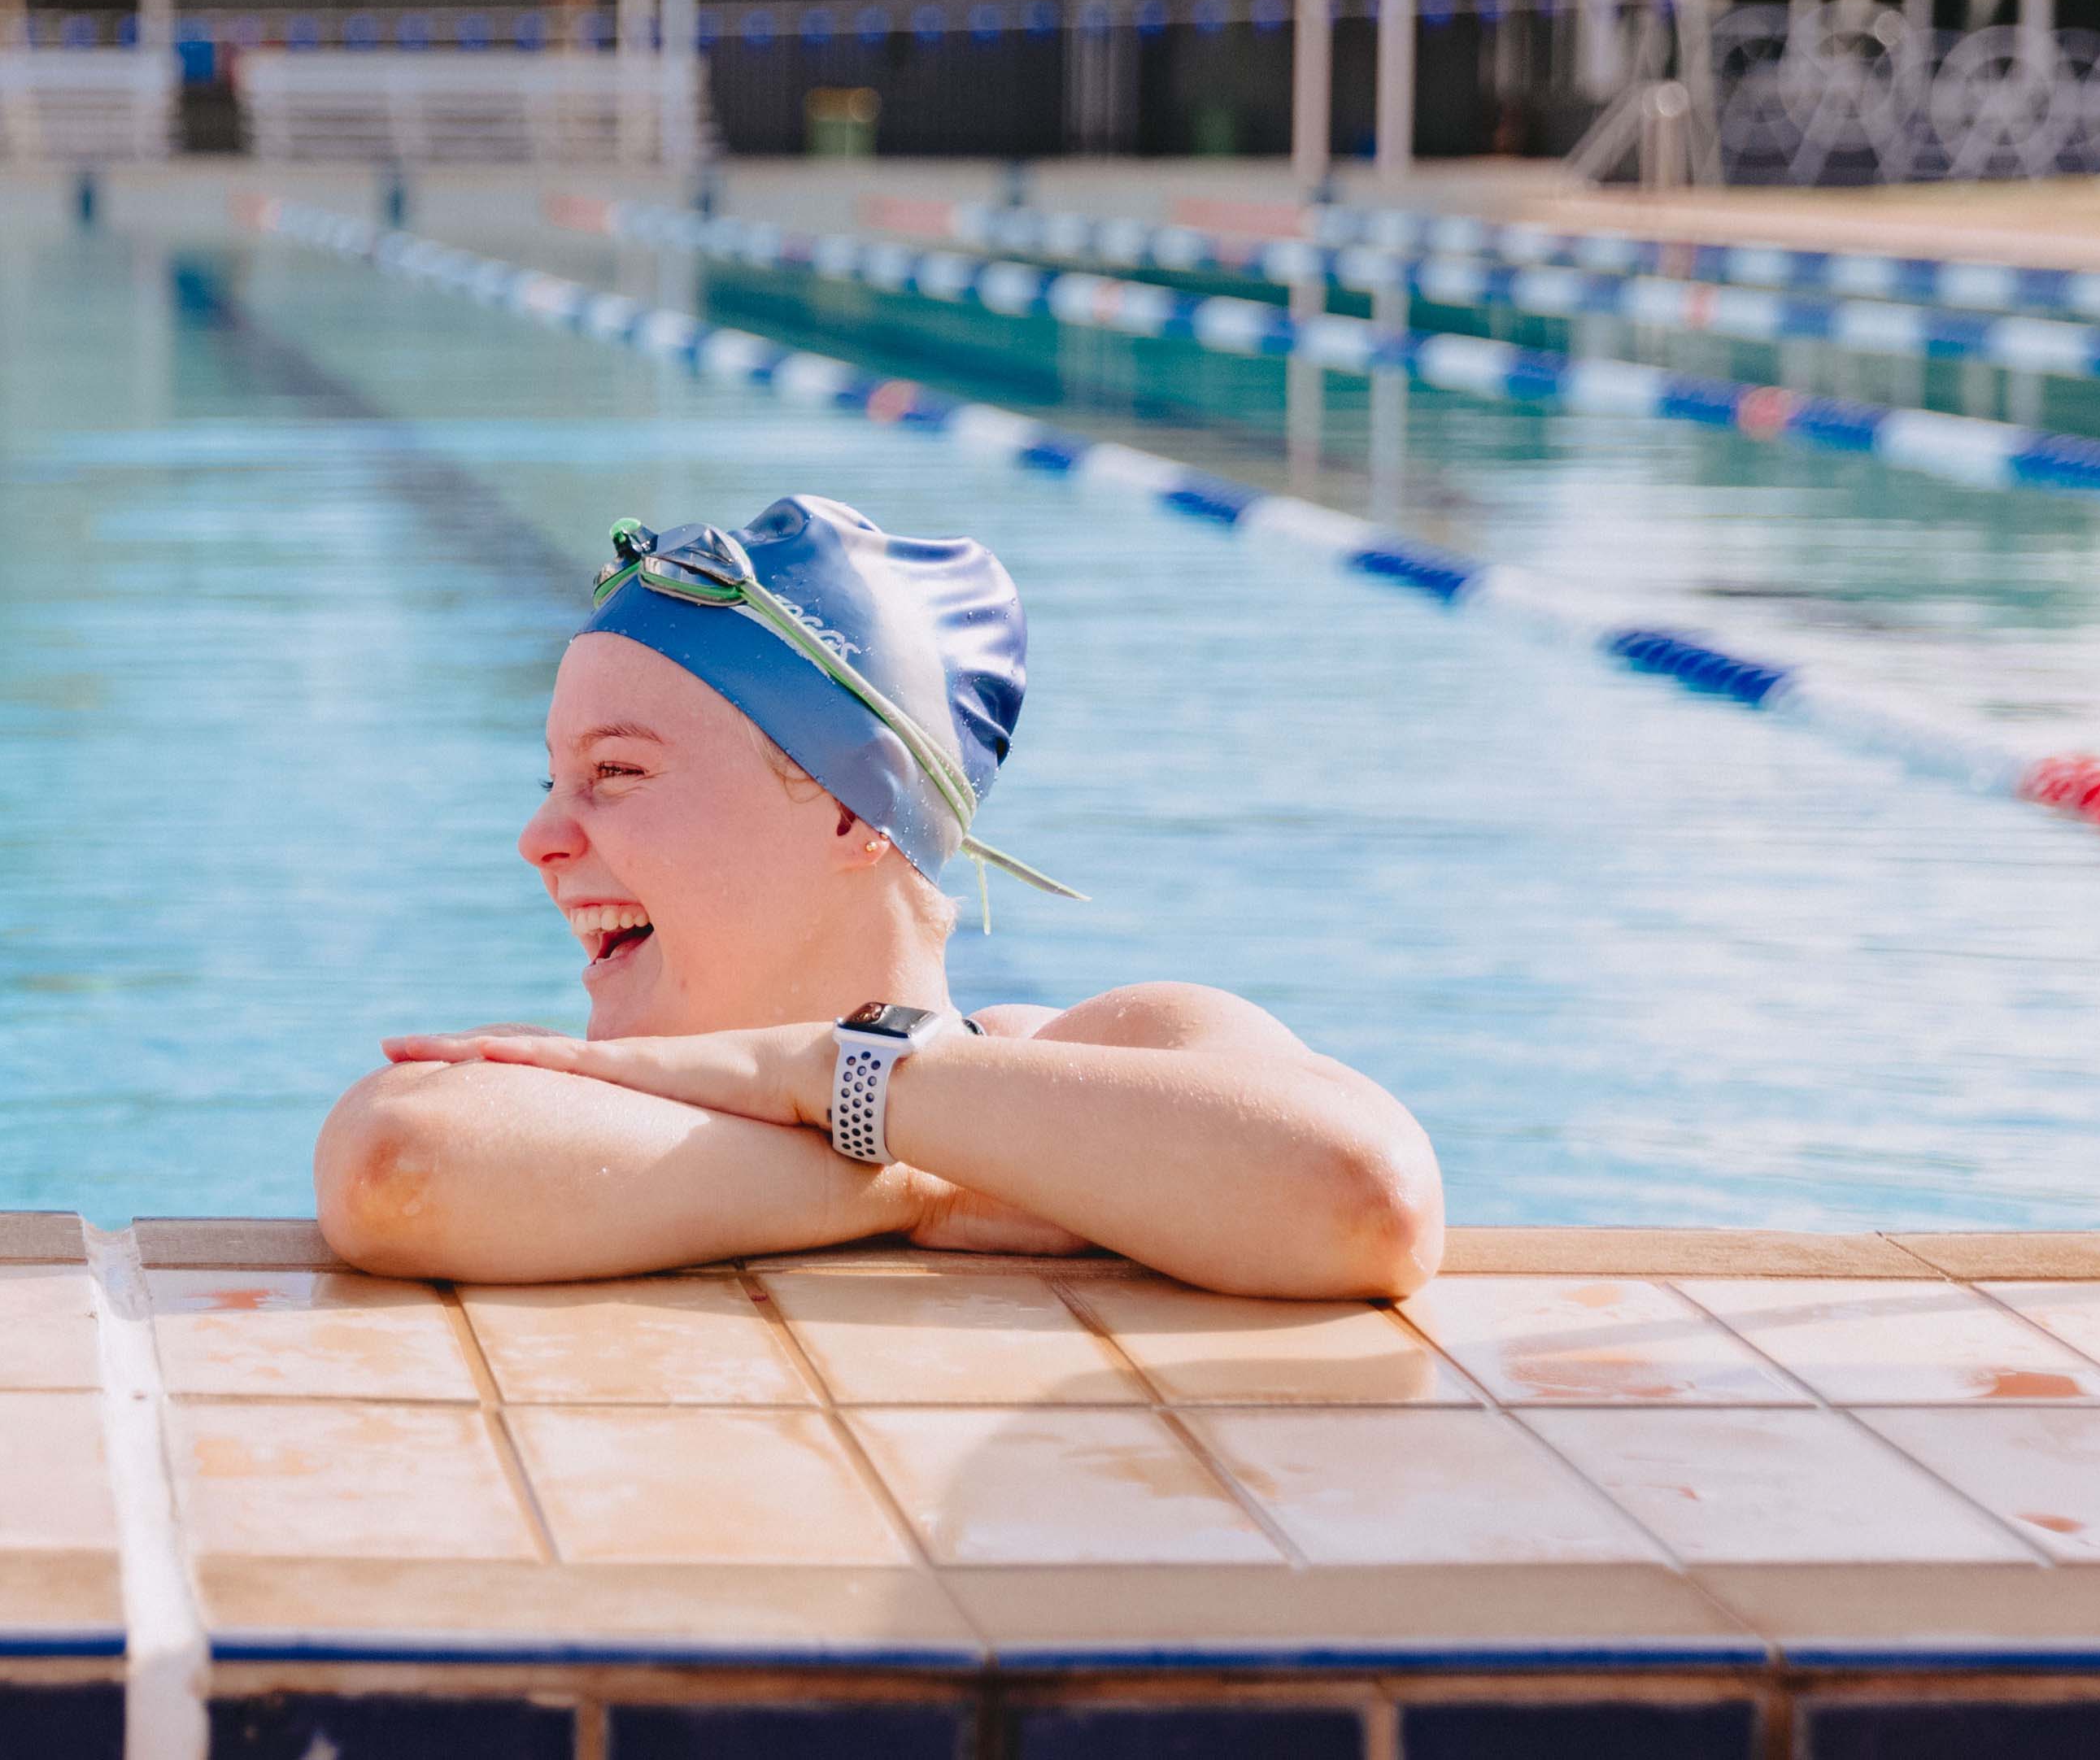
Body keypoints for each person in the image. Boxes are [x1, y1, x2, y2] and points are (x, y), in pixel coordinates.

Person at [315, 496, 1440, 1299]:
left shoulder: (1121, 1042)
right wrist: (916, 1176)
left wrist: (836, 1077)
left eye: (616, 772)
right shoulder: (587, 1111)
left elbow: (1365, 1198)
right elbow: (395, 1167)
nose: (540, 838)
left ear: (857, 809)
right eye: (552, 780)